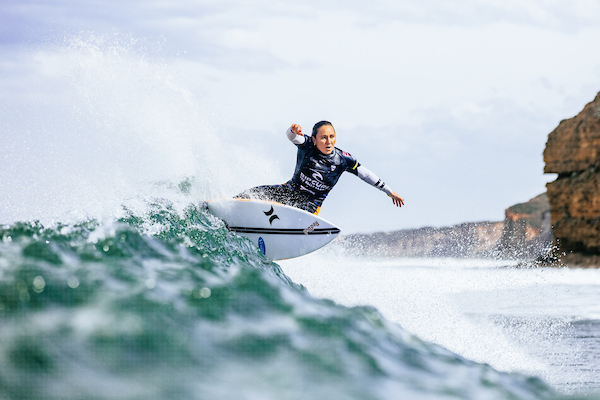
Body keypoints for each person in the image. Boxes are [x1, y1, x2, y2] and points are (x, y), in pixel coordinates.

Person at [235, 121, 405, 215]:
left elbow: (365, 174)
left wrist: (389, 191)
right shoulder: (307, 145)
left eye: (332, 137)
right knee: (251, 194)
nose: (328, 141)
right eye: (323, 137)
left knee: (284, 215)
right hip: (288, 191)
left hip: (309, 206)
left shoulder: (343, 159)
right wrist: (292, 130)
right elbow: (292, 136)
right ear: (315, 139)